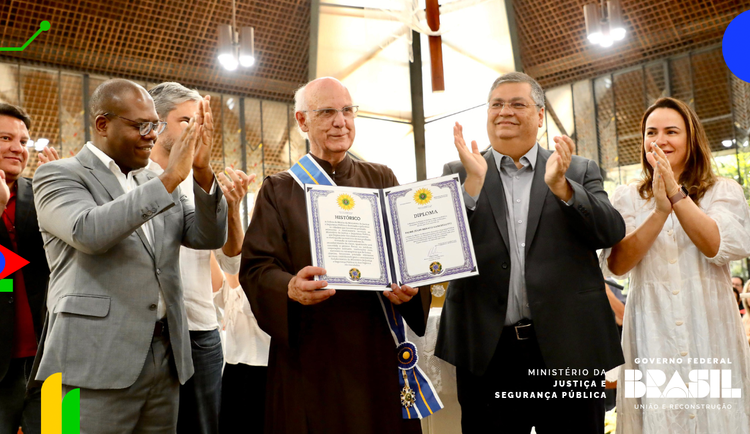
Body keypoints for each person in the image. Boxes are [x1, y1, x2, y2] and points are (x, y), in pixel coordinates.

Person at [31, 79, 228, 433]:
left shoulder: (150, 181)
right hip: (87, 364)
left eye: (155, 125)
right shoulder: (59, 174)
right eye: (141, 126)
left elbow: (207, 235)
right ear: (102, 124)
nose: (151, 135)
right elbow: (88, 232)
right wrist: (169, 179)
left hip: (162, 360)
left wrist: (201, 171)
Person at [435, 72, 626, 434]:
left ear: (540, 116)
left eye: (517, 103)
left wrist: (563, 188)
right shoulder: (459, 172)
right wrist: (472, 187)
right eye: (497, 104)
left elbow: (610, 231)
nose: (505, 111)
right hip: (489, 353)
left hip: (568, 346)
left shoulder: (578, 169)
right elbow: (439, 253)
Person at [239, 77, 431, 434]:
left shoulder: (382, 176)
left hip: (377, 346)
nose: (340, 121)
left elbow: (408, 255)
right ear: (302, 121)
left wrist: (412, 289)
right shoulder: (280, 189)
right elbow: (256, 268)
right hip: (312, 351)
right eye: (327, 112)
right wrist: (289, 287)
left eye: (347, 111)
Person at [603, 97, 750, 433]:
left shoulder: (722, 191)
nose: (660, 139)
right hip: (652, 330)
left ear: (691, 138)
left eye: (672, 131)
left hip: (710, 328)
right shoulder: (626, 197)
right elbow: (618, 263)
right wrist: (658, 211)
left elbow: (716, 245)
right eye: (651, 132)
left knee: (718, 416)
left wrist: (676, 195)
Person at [148, 82, 253, 434]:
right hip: (154, 328)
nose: (197, 128)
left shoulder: (204, 183)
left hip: (202, 329)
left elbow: (232, 263)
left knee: (205, 426)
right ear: (157, 123)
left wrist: (233, 209)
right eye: (186, 120)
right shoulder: (136, 179)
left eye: (202, 120)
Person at [0, 104, 50, 434]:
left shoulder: (43, 195)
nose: (18, 148)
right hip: (1, 365)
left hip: (54, 361)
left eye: (24, 141)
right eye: (6, 138)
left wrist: (66, 190)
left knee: (64, 429)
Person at [214, 271, 270, 434]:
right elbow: (220, 297)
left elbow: (248, 303)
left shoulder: (258, 259)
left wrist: (230, 258)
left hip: (262, 365)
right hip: (234, 364)